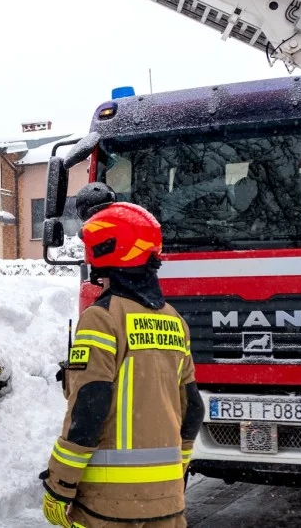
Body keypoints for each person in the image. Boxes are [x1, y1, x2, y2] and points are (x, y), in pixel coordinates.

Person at [40, 198, 205, 528]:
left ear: (105, 252)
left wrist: (59, 486)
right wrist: (173, 475)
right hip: (168, 505)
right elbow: (193, 410)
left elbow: (89, 410)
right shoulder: (174, 320)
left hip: (108, 506)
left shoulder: (102, 318)